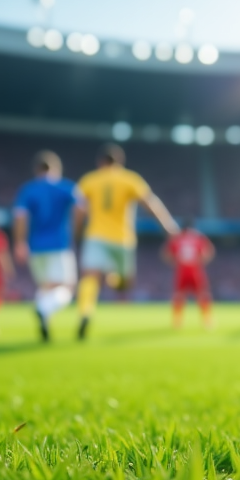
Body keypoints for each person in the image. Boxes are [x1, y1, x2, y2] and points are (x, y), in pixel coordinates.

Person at [76, 143, 179, 339]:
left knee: (90, 277)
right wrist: (167, 226)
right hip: (122, 239)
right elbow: (150, 202)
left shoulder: (89, 180)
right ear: (120, 162)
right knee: (124, 284)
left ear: (100, 162)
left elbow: (79, 210)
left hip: (95, 235)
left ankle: (85, 312)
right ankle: (107, 282)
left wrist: (76, 234)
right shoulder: (130, 179)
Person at [11, 151, 84, 341]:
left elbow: (20, 217)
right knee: (67, 288)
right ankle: (43, 309)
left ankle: (44, 320)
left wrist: (19, 242)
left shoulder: (27, 189)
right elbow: (81, 207)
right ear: (56, 169)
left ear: (37, 169)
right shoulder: (66, 187)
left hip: (35, 246)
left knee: (46, 287)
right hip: (59, 245)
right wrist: (76, 232)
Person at [162, 218, 215, 329]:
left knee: (179, 296)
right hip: (195, 270)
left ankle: (177, 321)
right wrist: (200, 261)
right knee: (202, 295)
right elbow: (209, 251)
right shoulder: (198, 238)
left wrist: (175, 261)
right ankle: (207, 320)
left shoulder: (177, 238)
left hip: (181, 270)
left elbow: (165, 254)